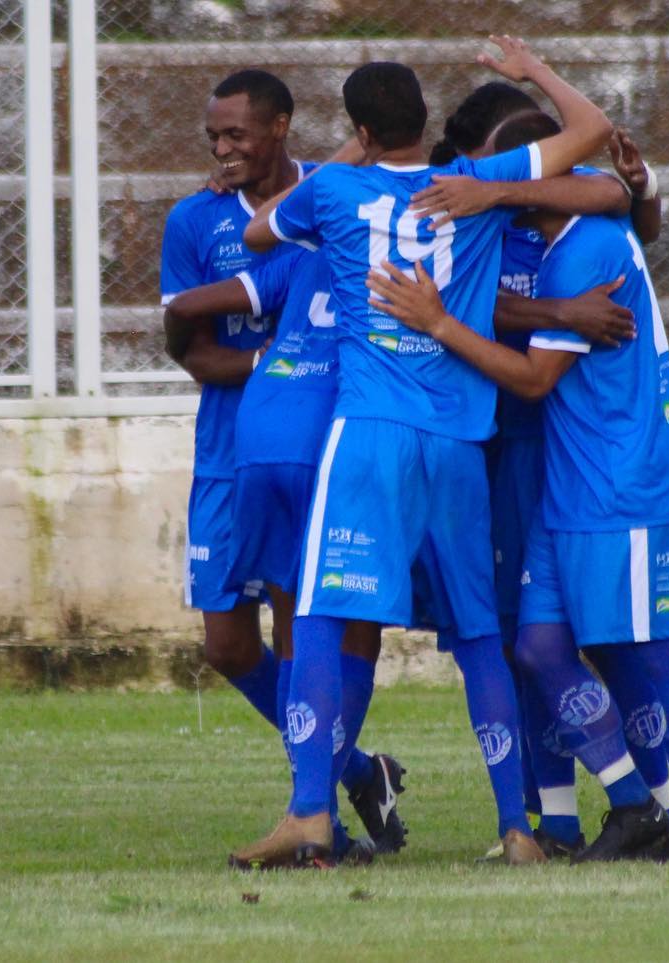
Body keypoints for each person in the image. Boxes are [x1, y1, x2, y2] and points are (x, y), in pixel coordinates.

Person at [232, 36, 614, 867]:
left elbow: (262, 233)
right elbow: (592, 130)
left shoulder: (332, 187)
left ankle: (309, 813)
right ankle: (518, 828)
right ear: (426, 124)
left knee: (323, 617)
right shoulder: (477, 186)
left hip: (369, 432)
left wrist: (347, 157)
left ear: (363, 130)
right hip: (457, 438)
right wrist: (528, 86)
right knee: (479, 636)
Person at [367, 110, 669, 863]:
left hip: (623, 481)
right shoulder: (564, 233)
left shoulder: (584, 248)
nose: (490, 188)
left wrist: (438, 322)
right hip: (568, 483)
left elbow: (535, 378)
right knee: (536, 645)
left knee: (660, 651)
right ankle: (632, 803)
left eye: (504, 176)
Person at [419, 88, 669, 859]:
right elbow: (475, 304)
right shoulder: (468, 210)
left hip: (567, 446)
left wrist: (645, 187)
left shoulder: (562, 206)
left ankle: (657, 797)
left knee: (602, 637)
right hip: (501, 444)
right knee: (515, 638)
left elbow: (621, 202)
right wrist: (561, 316)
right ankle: (555, 816)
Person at [159, 69, 402, 864]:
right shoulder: (195, 219)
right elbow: (194, 351)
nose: (224, 149)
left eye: (237, 135)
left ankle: (312, 815)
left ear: (281, 127)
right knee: (228, 646)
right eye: (215, 138)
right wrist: (270, 359)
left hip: (315, 450)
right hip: (230, 452)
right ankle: (358, 771)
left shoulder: (332, 199)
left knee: (306, 631)